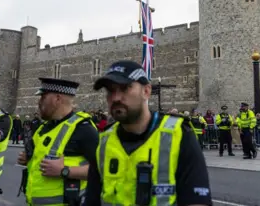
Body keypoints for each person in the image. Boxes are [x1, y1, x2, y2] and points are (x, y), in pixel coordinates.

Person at [85, 60, 212, 206]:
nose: (115, 98)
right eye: (110, 91)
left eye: (125, 88)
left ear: (146, 91)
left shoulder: (178, 134)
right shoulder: (104, 141)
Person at [17, 77, 99, 206]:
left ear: (57, 99)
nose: (39, 102)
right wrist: (28, 159)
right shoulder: (44, 128)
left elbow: (103, 170)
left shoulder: (83, 129)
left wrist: (64, 171)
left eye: (43, 97)